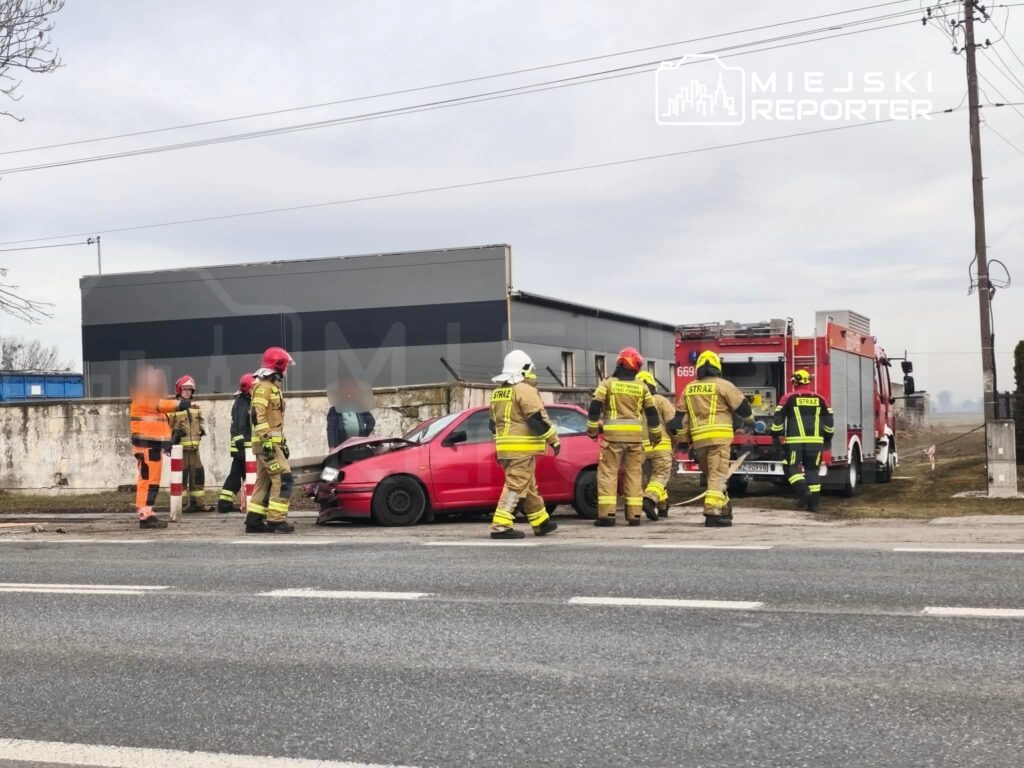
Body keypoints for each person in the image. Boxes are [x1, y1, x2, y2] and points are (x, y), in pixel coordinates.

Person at [669, 350, 754, 527]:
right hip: (719, 439)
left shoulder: (689, 388)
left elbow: (681, 419)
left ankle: (724, 508)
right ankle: (712, 513)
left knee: (713, 477)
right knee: (718, 476)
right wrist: (750, 423)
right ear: (717, 367)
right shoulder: (724, 385)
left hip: (700, 442)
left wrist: (683, 441)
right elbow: (744, 409)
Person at [488, 350, 560, 539]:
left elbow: (492, 424)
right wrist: (554, 439)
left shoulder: (498, 392)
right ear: (524, 369)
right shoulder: (525, 390)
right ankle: (501, 526)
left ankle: (541, 523)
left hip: (505, 449)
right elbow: (536, 419)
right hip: (522, 449)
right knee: (515, 486)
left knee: (527, 487)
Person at [587, 347, 663, 527]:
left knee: (608, 474)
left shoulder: (607, 384)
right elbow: (652, 413)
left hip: (612, 439)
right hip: (635, 440)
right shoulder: (642, 387)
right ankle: (634, 515)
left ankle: (607, 515)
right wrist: (655, 435)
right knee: (634, 475)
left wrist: (591, 430)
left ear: (619, 363)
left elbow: (595, 407)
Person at [129, 366, 191, 529]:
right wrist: (180, 404)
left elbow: (161, 421)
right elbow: (160, 405)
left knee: (152, 480)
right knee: (147, 479)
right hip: (146, 444)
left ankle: (148, 511)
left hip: (152, 444)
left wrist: (169, 439)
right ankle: (144, 514)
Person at [245, 347, 296, 534]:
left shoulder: (272, 388)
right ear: (278, 366)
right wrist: (267, 441)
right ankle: (276, 520)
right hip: (266, 444)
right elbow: (256, 416)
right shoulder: (263, 388)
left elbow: (274, 421)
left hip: (271, 444)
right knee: (284, 477)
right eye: (286, 366)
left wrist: (281, 443)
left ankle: (254, 521)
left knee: (264, 482)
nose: (287, 370)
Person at [770, 369, 835, 512]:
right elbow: (829, 422)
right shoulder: (820, 399)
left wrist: (776, 435)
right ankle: (814, 505)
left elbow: (778, 418)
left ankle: (803, 492)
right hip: (816, 442)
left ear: (794, 382)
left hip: (795, 442)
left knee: (790, 467)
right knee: (812, 470)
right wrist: (828, 438)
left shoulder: (788, 398)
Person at [637, 370, 676, 521]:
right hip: (660, 445)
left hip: (640, 449)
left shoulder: (633, 403)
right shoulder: (659, 400)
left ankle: (663, 508)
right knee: (660, 477)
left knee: (653, 480)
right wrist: (679, 439)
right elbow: (673, 423)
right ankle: (649, 501)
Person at [167, 375, 206, 512]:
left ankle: (198, 504)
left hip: (194, 449)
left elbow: (200, 421)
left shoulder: (196, 406)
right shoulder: (173, 407)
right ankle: (180, 505)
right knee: (181, 477)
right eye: (185, 389)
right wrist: (174, 434)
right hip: (180, 450)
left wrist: (202, 429)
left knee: (198, 475)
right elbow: (167, 426)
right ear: (179, 390)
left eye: (190, 389)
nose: (188, 392)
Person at [217, 373, 255, 513]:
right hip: (244, 448)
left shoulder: (245, 400)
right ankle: (228, 504)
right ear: (247, 389)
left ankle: (224, 503)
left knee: (236, 474)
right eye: (253, 387)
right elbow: (240, 427)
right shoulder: (242, 402)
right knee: (243, 475)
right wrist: (246, 446)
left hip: (243, 448)